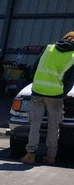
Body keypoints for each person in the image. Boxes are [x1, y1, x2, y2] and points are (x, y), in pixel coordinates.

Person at [23, 31, 74, 165]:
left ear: (64, 38)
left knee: (35, 125)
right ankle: (50, 157)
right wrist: (63, 94)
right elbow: (69, 80)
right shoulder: (73, 56)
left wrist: (35, 83)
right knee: (53, 126)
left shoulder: (49, 48)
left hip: (38, 92)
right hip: (56, 96)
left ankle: (30, 154)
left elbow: (34, 68)